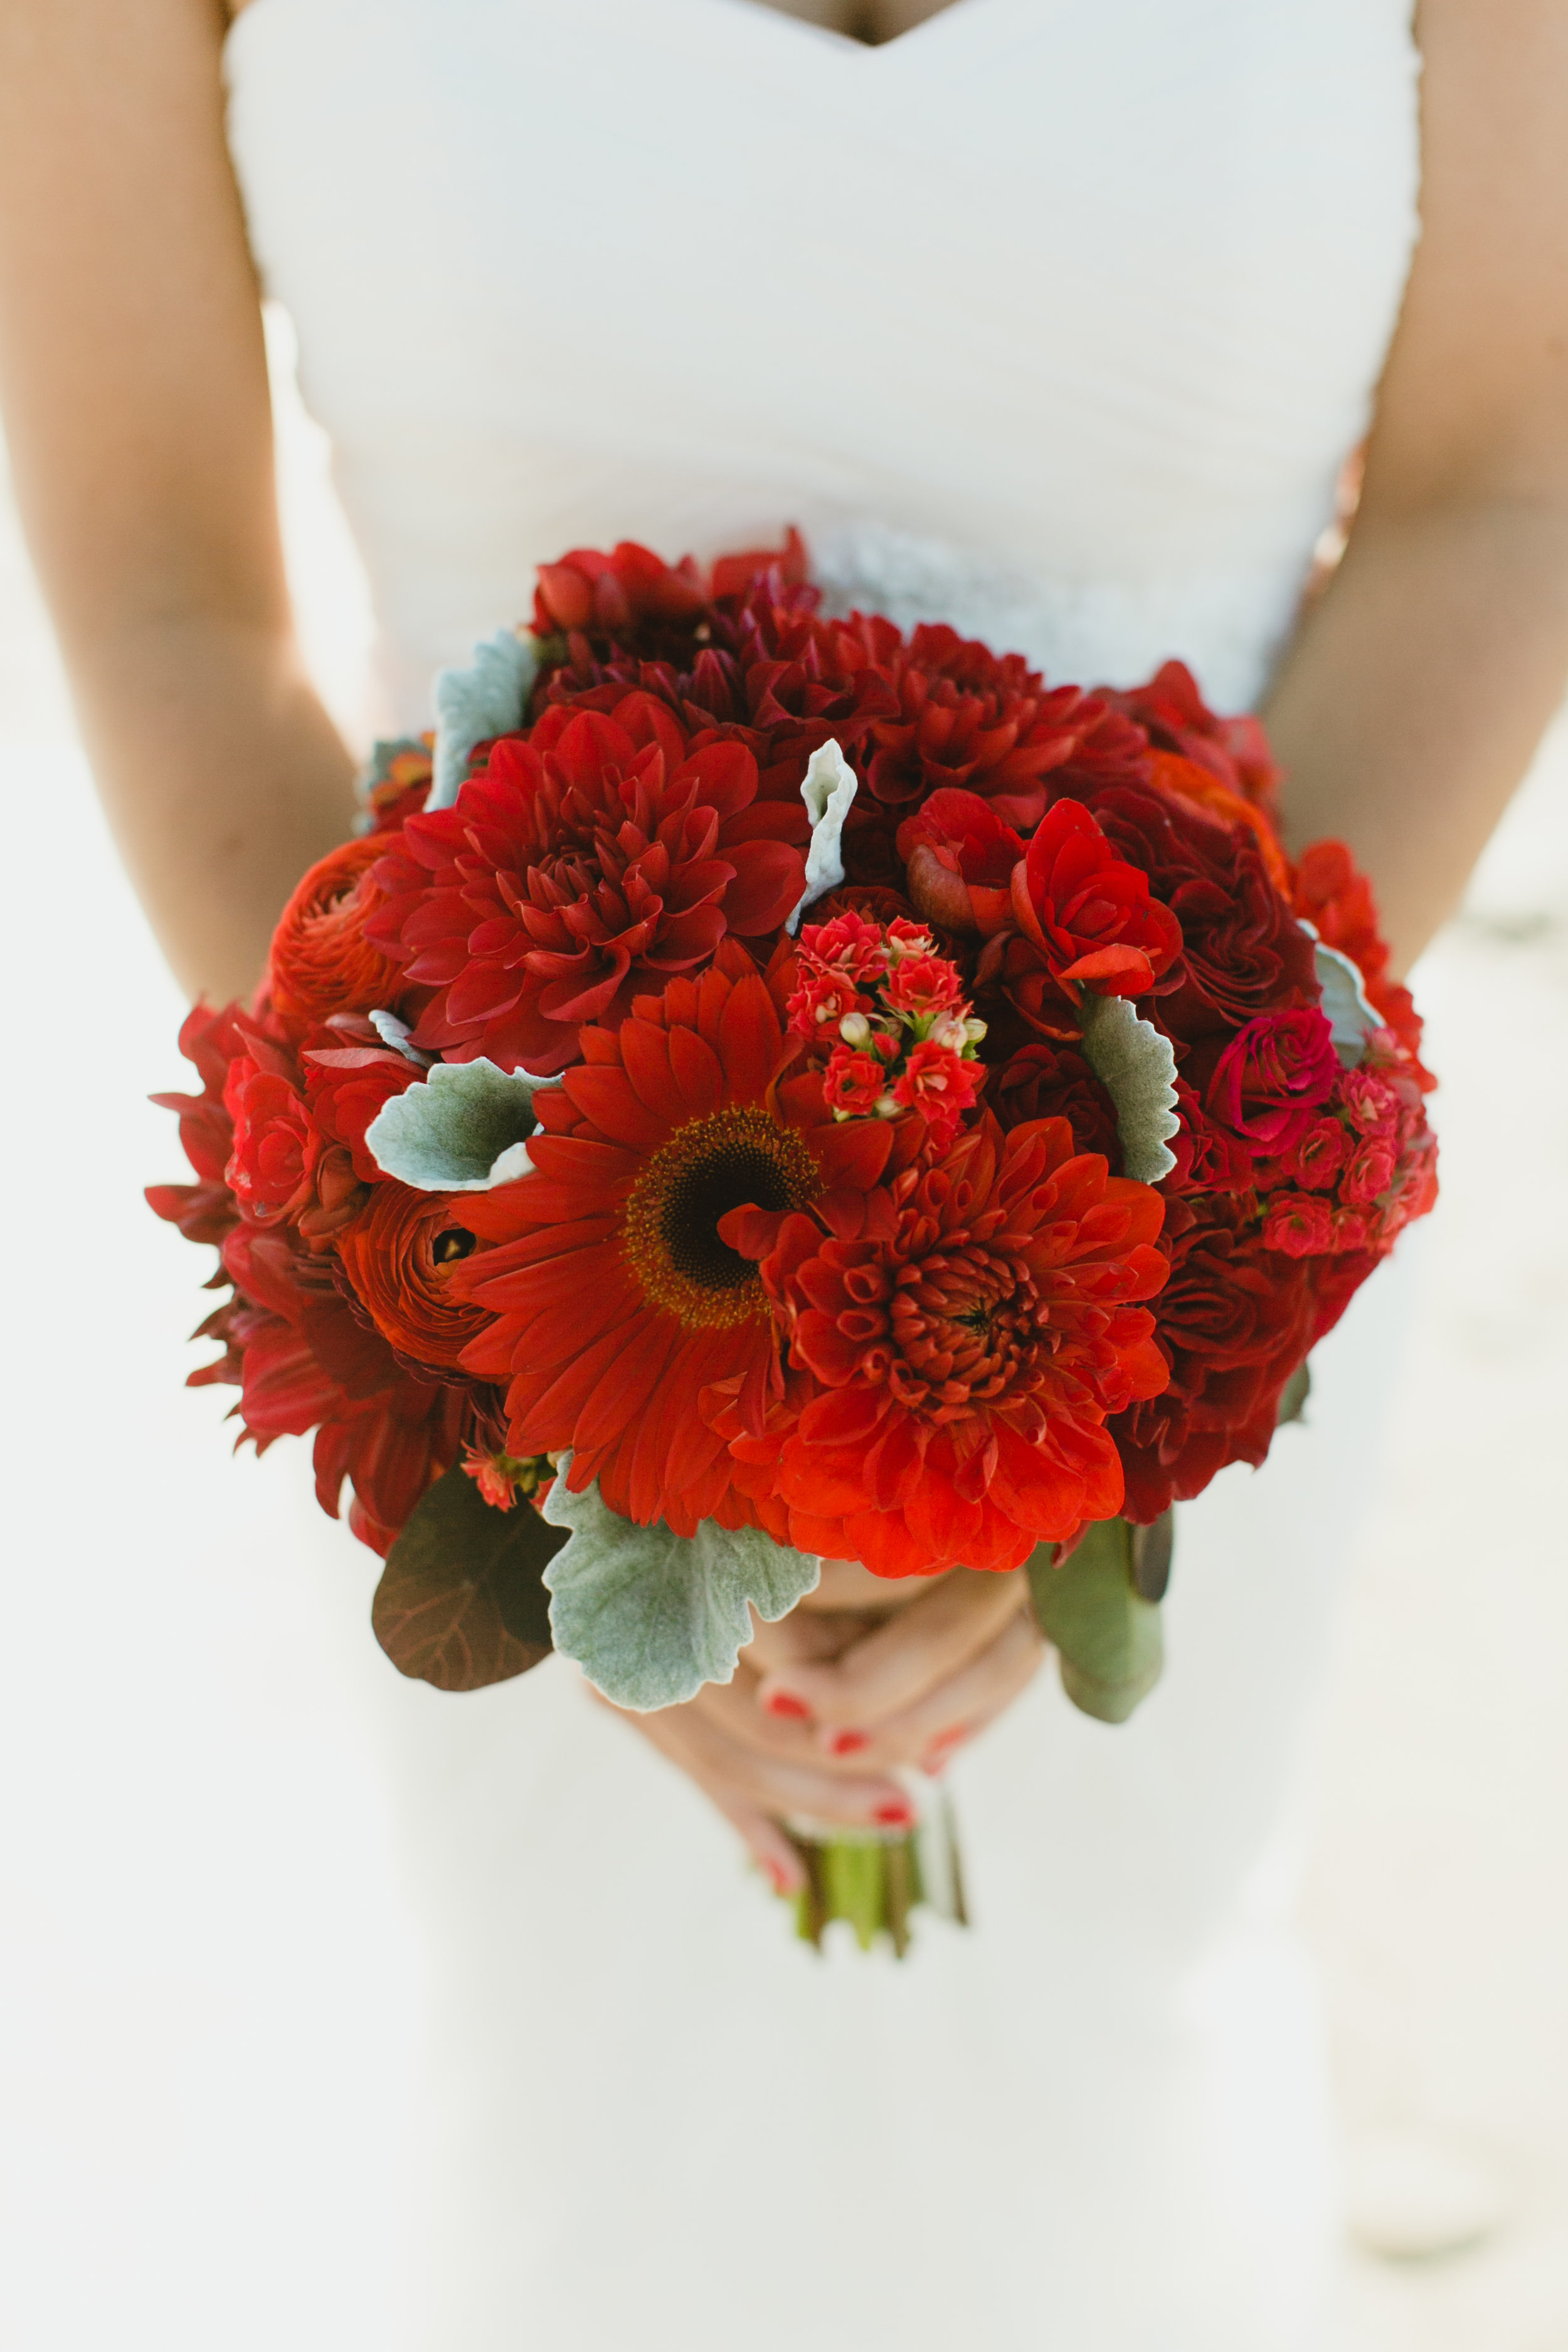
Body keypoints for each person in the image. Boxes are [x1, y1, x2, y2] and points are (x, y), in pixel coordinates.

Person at [1, 2, 1565, 2344]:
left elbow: (1497, 487)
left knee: (1083, 2068)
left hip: (1175, 1246)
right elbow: (161, 590)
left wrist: (1205, 1197)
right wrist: (498, 1372)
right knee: (594, 2115)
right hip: (500, 1251)